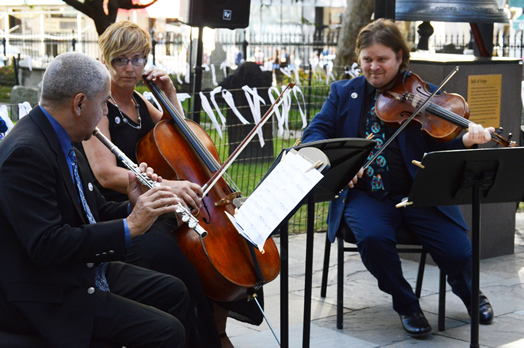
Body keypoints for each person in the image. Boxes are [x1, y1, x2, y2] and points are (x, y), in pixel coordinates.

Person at [301, 19, 495, 338]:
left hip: (418, 192)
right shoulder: (343, 94)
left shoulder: (426, 96)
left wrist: (466, 140)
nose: (374, 67)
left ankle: (473, 297)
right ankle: (407, 305)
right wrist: (340, 165)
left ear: (400, 58)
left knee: (458, 250)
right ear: (359, 59)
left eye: (382, 59)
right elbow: (315, 134)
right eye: (367, 59)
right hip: (366, 196)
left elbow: (442, 142)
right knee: (374, 239)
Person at [81, 20, 260, 348]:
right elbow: (105, 173)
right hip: (123, 209)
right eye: (121, 59)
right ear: (106, 59)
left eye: (138, 59)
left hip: (157, 203)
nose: (130, 68)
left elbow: (182, 138)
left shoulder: (137, 102)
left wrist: (169, 95)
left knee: (214, 257)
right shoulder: (101, 106)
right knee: (182, 268)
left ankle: (215, 334)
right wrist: (165, 186)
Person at [0, 51, 190, 347]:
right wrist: (130, 226)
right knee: (166, 331)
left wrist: (135, 205)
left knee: (174, 290)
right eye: (103, 103)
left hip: (81, 270)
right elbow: (47, 245)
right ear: (79, 103)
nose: (104, 113)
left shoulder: (65, 139)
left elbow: (93, 212)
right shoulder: (26, 153)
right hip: (47, 290)